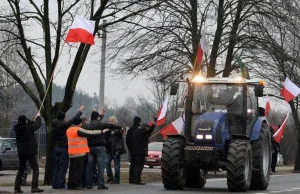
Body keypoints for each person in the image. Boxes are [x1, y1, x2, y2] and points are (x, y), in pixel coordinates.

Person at [83, 111, 124, 190]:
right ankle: (101, 184)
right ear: (97, 117)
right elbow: (110, 125)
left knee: (90, 166)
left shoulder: (86, 125)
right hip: (100, 147)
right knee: (101, 166)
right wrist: (120, 127)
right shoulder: (100, 124)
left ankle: (88, 184)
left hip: (90, 148)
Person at [66, 117, 110, 190]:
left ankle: (70, 184)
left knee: (72, 170)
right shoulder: (78, 130)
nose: (81, 124)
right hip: (79, 152)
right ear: (79, 123)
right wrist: (102, 131)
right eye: (81, 123)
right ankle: (75, 184)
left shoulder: (68, 130)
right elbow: (90, 133)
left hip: (71, 152)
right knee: (78, 170)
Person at [52, 105, 84, 189]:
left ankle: (55, 184)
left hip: (56, 147)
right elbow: (73, 120)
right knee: (63, 166)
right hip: (63, 148)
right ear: (63, 118)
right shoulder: (63, 125)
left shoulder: (53, 124)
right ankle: (61, 184)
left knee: (57, 167)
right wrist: (80, 111)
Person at [14, 112, 44, 193]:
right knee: (35, 169)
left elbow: (30, 125)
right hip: (30, 151)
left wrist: (31, 121)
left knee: (21, 170)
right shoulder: (28, 127)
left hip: (21, 152)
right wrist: (38, 117)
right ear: (25, 121)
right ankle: (34, 187)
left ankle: (17, 188)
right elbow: (38, 125)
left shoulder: (17, 128)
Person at [132, 120, 156, 185]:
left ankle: (135, 180)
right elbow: (149, 130)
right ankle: (137, 180)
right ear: (145, 127)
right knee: (140, 166)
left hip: (136, 151)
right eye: (147, 128)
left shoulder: (136, 131)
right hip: (141, 152)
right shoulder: (142, 131)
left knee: (136, 166)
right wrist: (153, 124)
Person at [105, 116, 126, 184]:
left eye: (112, 121)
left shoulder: (119, 128)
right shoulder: (107, 129)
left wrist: (115, 131)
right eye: (109, 121)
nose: (110, 122)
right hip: (109, 149)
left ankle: (117, 179)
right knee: (107, 163)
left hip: (116, 149)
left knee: (116, 165)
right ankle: (110, 177)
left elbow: (123, 130)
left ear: (115, 122)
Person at [126, 116, 141, 184]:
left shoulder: (130, 130)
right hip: (138, 150)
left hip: (131, 150)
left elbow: (127, 140)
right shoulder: (139, 129)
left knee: (132, 165)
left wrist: (130, 148)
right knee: (137, 165)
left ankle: (131, 179)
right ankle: (136, 179)